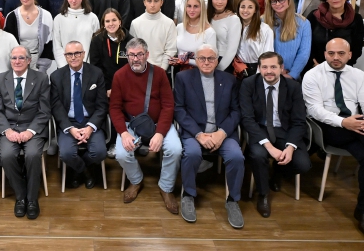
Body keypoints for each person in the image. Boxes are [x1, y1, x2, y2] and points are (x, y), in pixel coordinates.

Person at [174, 44, 244, 228]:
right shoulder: (183, 78)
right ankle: (188, 195)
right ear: (196, 60)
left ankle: (233, 200)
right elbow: (179, 110)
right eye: (202, 58)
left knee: (237, 156)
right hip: (194, 131)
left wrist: (221, 133)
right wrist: (198, 134)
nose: (206, 62)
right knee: (192, 154)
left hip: (223, 132)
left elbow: (236, 111)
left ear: (217, 60)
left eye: (211, 58)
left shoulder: (229, 80)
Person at [110, 37, 181, 210]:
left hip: (158, 124)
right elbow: (114, 108)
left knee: (175, 149)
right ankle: (136, 180)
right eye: (132, 55)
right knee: (121, 153)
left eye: (140, 54)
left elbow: (168, 105)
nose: (136, 59)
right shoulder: (119, 76)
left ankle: (165, 187)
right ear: (127, 56)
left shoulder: (159, 74)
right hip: (132, 125)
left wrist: (160, 133)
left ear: (147, 54)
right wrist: (123, 133)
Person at [302, 38, 364, 234]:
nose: (336, 57)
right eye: (331, 53)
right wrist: (343, 122)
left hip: (356, 122)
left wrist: (355, 122)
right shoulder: (312, 76)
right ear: (325, 54)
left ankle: (362, 211)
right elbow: (314, 110)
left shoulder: (358, 75)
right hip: (329, 126)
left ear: (350, 55)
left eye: (341, 53)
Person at [240, 51, 311, 218]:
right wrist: (269, 147)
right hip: (259, 129)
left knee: (303, 165)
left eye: (273, 67)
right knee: (258, 155)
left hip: (285, 130)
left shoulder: (293, 87)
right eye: (264, 67)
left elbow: (299, 121)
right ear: (259, 68)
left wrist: (290, 147)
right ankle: (263, 195)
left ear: (281, 68)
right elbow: (247, 119)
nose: (269, 71)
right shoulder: (248, 84)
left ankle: (278, 173)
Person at [0, 46, 51, 220]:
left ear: (28, 60)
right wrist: (7, 130)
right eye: (13, 58)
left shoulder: (41, 78)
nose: (17, 61)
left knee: (32, 155)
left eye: (21, 58)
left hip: (33, 127)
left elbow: (44, 111)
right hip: (9, 127)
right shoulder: (0, 79)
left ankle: (32, 199)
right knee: (8, 156)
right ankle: (21, 196)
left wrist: (31, 131)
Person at [51, 41, 107, 189]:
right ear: (65, 56)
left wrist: (90, 127)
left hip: (90, 121)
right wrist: (70, 128)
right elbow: (56, 107)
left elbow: (102, 106)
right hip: (69, 123)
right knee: (67, 154)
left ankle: (76, 170)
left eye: (77, 53)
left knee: (100, 152)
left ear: (83, 54)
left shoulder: (96, 73)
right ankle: (85, 172)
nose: (73, 57)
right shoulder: (56, 76)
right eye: (70, 54)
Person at [307, 0, 364, 71]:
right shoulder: (314, 16)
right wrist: (315, 64)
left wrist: (341, 66)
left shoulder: (356, 19)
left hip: (344, 69)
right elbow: (306, 44)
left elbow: (357, 49)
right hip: (314, 68)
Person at [4, 0, 54, 72]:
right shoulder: (11, 17)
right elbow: (8, 45)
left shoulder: (46, 16)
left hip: (39, 65)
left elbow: (49, 42)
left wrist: (42, 68)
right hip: (17, 63)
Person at [263, 0, 311, 80]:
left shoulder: (303, 23)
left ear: (289, 1)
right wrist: (275, 71)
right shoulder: (263, 21)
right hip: (268, 74)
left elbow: (304, 53)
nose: (277, 4)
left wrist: (292, 74)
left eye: (281, 0)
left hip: (291, 76)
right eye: (274, 1)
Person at [53, 0, 99, 68]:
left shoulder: (92, 18)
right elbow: (57, 46)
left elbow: (96, 46)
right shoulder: (58, 19)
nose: (74, 1)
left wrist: (88, 66)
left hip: (87, 66)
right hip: (64, 67)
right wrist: (64, 67)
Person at [129, 0, 177, 71]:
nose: (152, 5)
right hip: (140, 69)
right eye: (149, 1)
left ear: (161, 2)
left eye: (156, 1)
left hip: (161, 69)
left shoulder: (169, 23)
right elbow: (133, 49)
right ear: (144, 2)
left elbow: (170, 50)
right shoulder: (135, 23)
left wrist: (162, 70)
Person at [172, 0, 216, 69]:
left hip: (200, 73)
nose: (192, 10)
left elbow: (212, 61)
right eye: (189, 6)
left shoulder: (210, 32)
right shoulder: (179, 27)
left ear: (202, 8)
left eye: (196, 6)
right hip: (179, 71)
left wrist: (187, 61)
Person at [236, 0, 274, 76]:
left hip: (256, 69)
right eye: (243, 7)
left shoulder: (265, 29)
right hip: (238, 69)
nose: (245, 10)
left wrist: (259, 75)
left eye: (250, 7)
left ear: (255, 10)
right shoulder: (234, 26)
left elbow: (268, 54)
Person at [208, 0, 242, 72]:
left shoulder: (233, 19)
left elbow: (231, 50)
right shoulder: (207, 16)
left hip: (224, 63)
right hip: (206, 60)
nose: (220, 2)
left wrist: (219, 69)